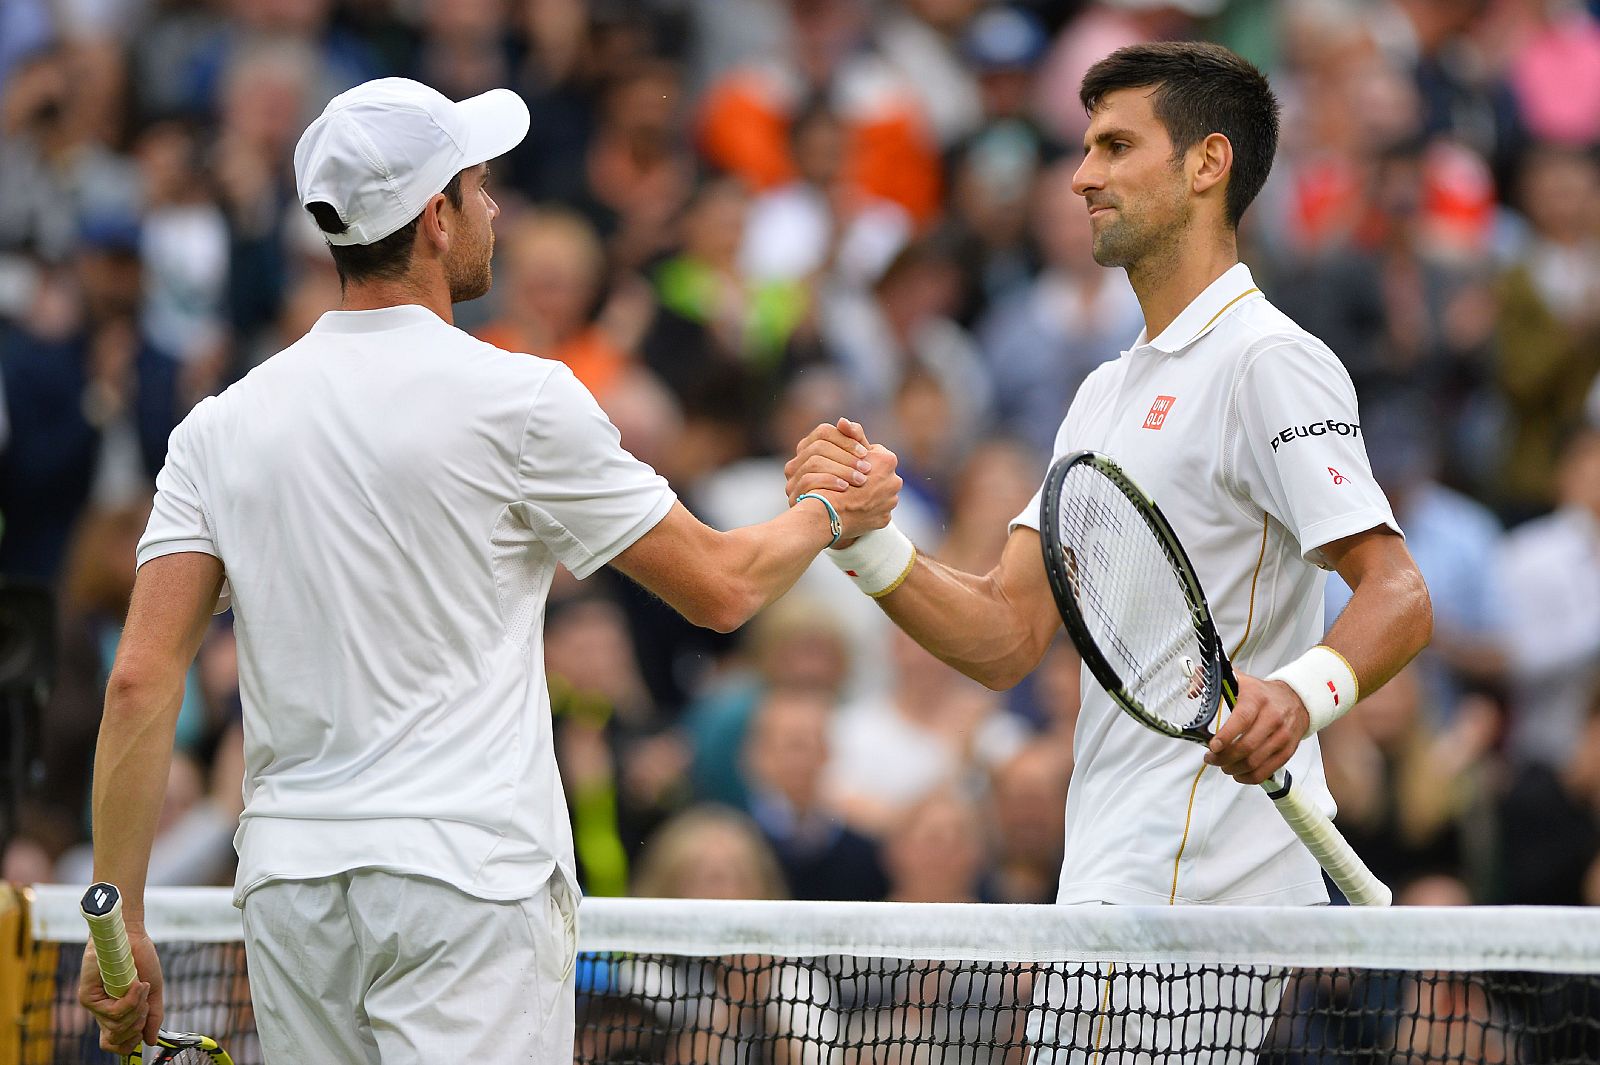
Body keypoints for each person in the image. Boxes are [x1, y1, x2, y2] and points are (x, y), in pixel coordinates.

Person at [78, 77, 901, 1063]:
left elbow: (139, 681)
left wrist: (114, 919)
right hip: (467, 883)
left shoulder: (218, 428)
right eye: (478, 186)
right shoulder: (521, 400)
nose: (496, 208)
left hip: (295, 889)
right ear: (435, 219)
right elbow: (723, 585)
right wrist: (829, 512)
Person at [787, 42, 1432, 1062]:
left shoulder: (1271, 362)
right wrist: (868, 546)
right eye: (1086, 147)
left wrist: (1302, 695)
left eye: (1115, 146)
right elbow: (1006, 635)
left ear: (1206, 164)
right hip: (1108, 875)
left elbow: (1396, 592)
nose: (1081, 175)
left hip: (1199, 888)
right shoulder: (1102, 392)